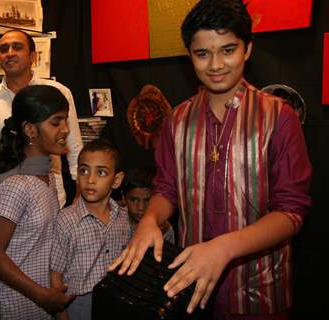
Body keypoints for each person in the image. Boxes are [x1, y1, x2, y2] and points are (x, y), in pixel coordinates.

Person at [109, 1, 312, 319]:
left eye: (228, 50)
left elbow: (291, 211)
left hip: (258, 291)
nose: (215, 64)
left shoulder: (278, 116)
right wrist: (150, 220)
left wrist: (223, 247)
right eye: (202, 54)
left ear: (247, 50)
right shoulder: (177, 119)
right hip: (190, 290)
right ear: (189, 55)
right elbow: (166, 189)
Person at [0, 85, 75, 320]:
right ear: (30, 130)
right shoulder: (17, 184)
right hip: (14, 305)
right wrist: (42, 295)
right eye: (56, 122)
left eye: (65, 121)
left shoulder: (48, 177)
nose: (66, 130)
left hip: (36, 305)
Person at [0, 29, 83, 207]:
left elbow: (74, 145)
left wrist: (80, 192)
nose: (10, 53)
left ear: (33, 56)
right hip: (5, 197)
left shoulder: (57, 92)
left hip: (50, 194)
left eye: (17, 47)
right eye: (4, 49)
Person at [50, 139, 131, 320]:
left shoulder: (124, 218)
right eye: (84, 170)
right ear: (77, 175)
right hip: (78, 304)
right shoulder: (66, 220)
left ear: (116, 180)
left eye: (101, 172)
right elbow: (55, 276)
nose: (90, 179)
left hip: (116, 300)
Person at [121, 167, 175, 243]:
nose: (140, 207)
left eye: (147, 200)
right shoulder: (113, 223)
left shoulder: (165, 228)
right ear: (124, 198)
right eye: (134, 200)